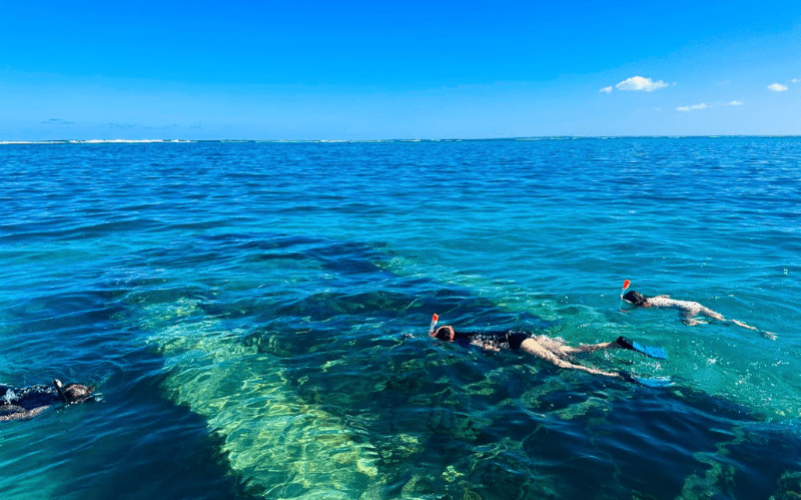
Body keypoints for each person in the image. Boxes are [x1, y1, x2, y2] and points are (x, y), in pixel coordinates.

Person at [430, 321, 662, 380]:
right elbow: (447, 328)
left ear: (447, 340)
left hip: (519, 343)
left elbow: (493, 350)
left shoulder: (465, 342)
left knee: (561, 363)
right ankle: (615, 344)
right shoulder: (462, 332)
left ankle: (614, 376)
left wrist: (493, 355)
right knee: (570, 350)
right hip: (524, 334)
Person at [622, 290, 776, 340]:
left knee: (687, 323)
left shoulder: (644, 305)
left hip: (688, 310)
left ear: (636, 302)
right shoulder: (652, 299)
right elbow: (666, 296)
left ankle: (707, 323)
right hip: (693, 304)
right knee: (724, 319)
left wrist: (626, 310)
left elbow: (642, 308)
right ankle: (757, 330)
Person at [1, 379, 94, 422]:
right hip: (14, 403)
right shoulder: (44, 406)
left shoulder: (50, 389)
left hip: (13, 391)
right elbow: (25, 414)